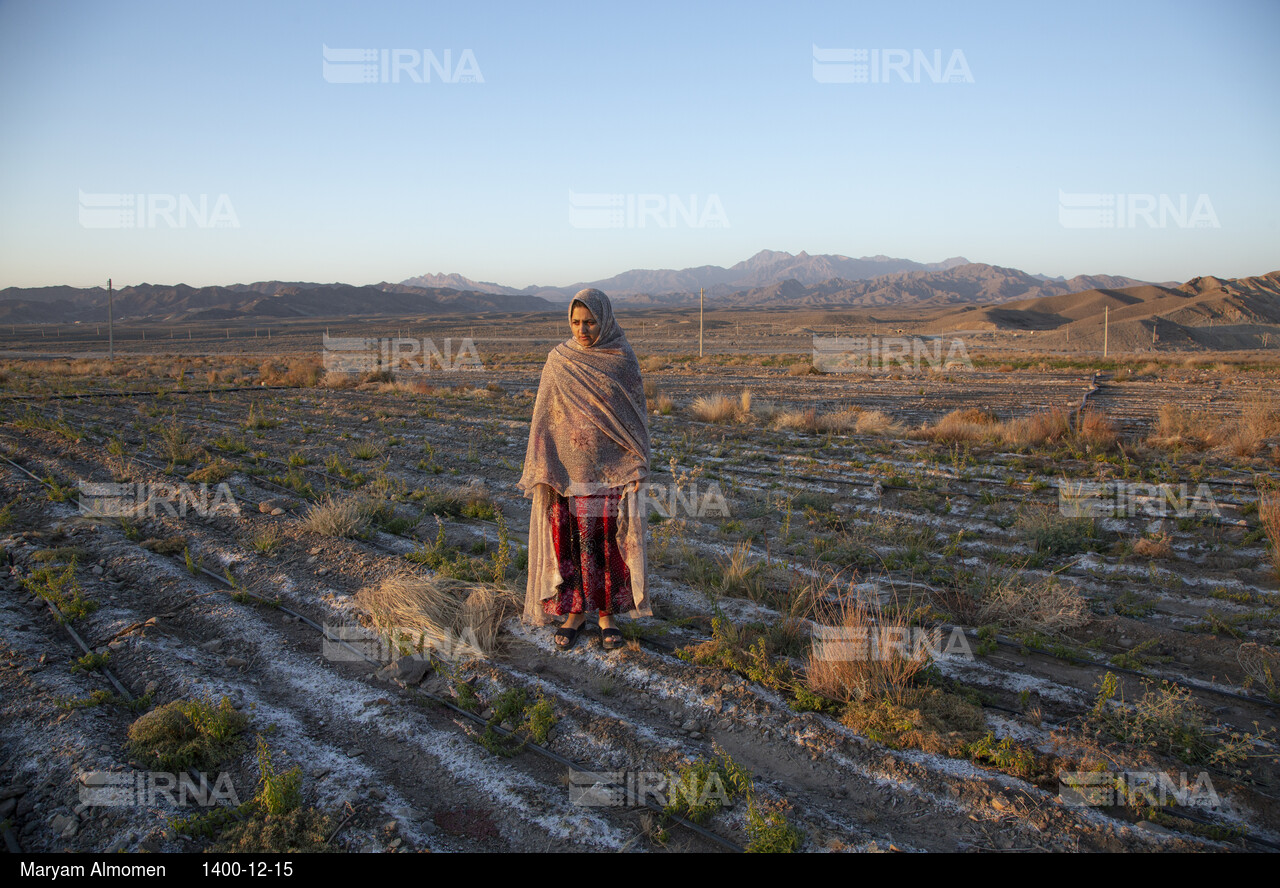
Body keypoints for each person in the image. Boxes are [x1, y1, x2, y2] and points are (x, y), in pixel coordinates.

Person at [518, 288, 651, 651]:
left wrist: (636, 462)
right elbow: (543, 417)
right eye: (576, 322)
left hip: (609, 473)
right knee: (570, 545)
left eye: (590, 322)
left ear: (604, 320)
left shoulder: (622, 360)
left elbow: (634, 419)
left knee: (607, 546)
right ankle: (574, 612)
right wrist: (543, 463)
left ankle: (606, 614)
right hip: (566, 474)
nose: (583, 330)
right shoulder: (558, 360)